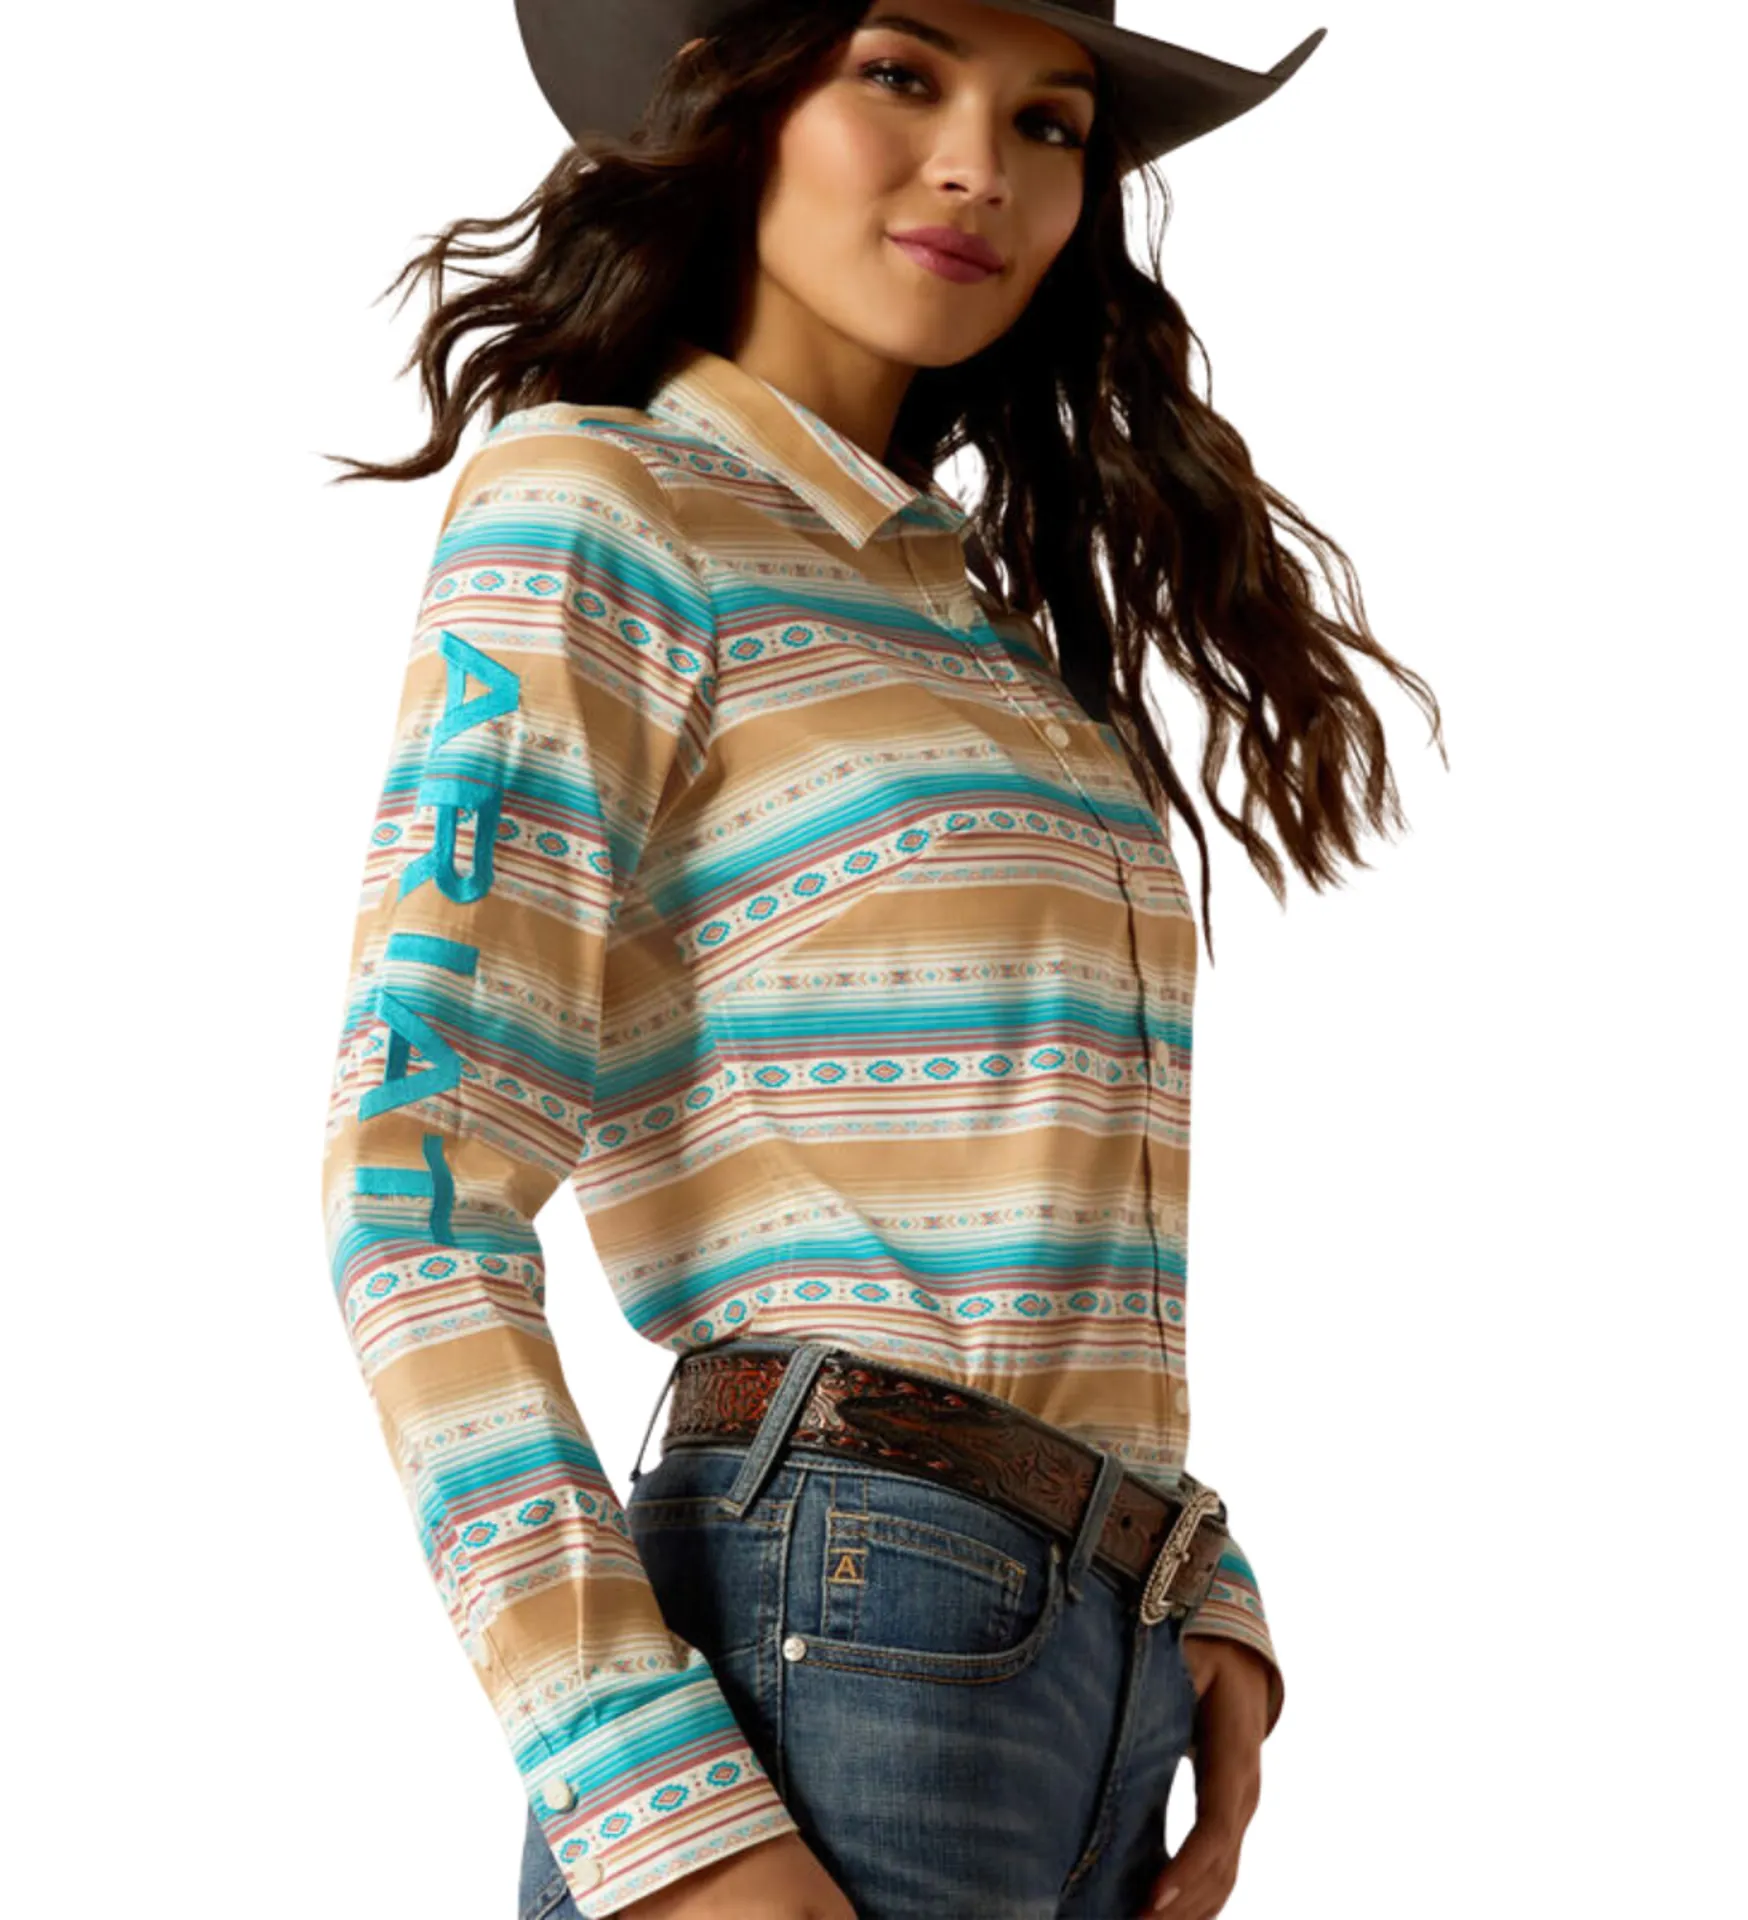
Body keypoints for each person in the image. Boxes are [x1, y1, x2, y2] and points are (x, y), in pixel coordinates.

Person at [315, 2, 1443, 1915]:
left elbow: (1008, 1192)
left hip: (1082, 1671)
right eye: (901, 76)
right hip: (824, 1645)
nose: (980, 169)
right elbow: (409, 1193)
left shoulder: (977, 629)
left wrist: (1186, 1577)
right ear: (736, 101)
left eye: (1050, 121)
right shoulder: (599, 506)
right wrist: (648, 1794)